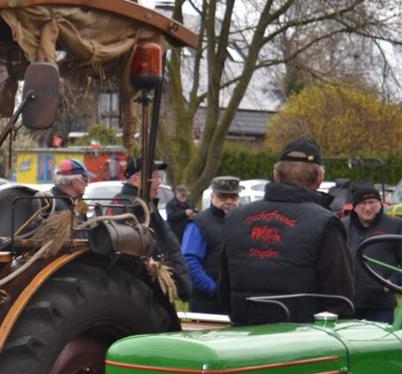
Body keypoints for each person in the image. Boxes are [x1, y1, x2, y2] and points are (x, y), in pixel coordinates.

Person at [218, 138, 353, 325]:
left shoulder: (235, 217)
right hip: (300, 339)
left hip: (245, 334)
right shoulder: (325, 223)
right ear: (319, 178)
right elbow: (340, 297)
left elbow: (223, 289)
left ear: (276, 175)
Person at [107, 156, 192, 300]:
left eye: (159, 177)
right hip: (142, 292)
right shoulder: (134, 207)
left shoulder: (142, 204)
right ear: (136, 180)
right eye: (154, 177)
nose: (159, 182)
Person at [342, 182, 402, 323]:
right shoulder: (342, 226)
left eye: (372, 202)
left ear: (380, 204)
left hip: (380, 305)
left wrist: (393, 282)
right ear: (354, 207)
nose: (368, 208)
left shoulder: (395, 225)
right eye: (362, 203)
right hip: (348, 303)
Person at [181, 176, 240, 314]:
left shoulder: (243, 221)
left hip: (235, 301)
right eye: (223, 197)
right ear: (213, 196)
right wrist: (214, 290)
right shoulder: (199, 223)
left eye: (233, 196)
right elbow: (190, 261)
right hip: (207, 303)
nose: (229, 201)